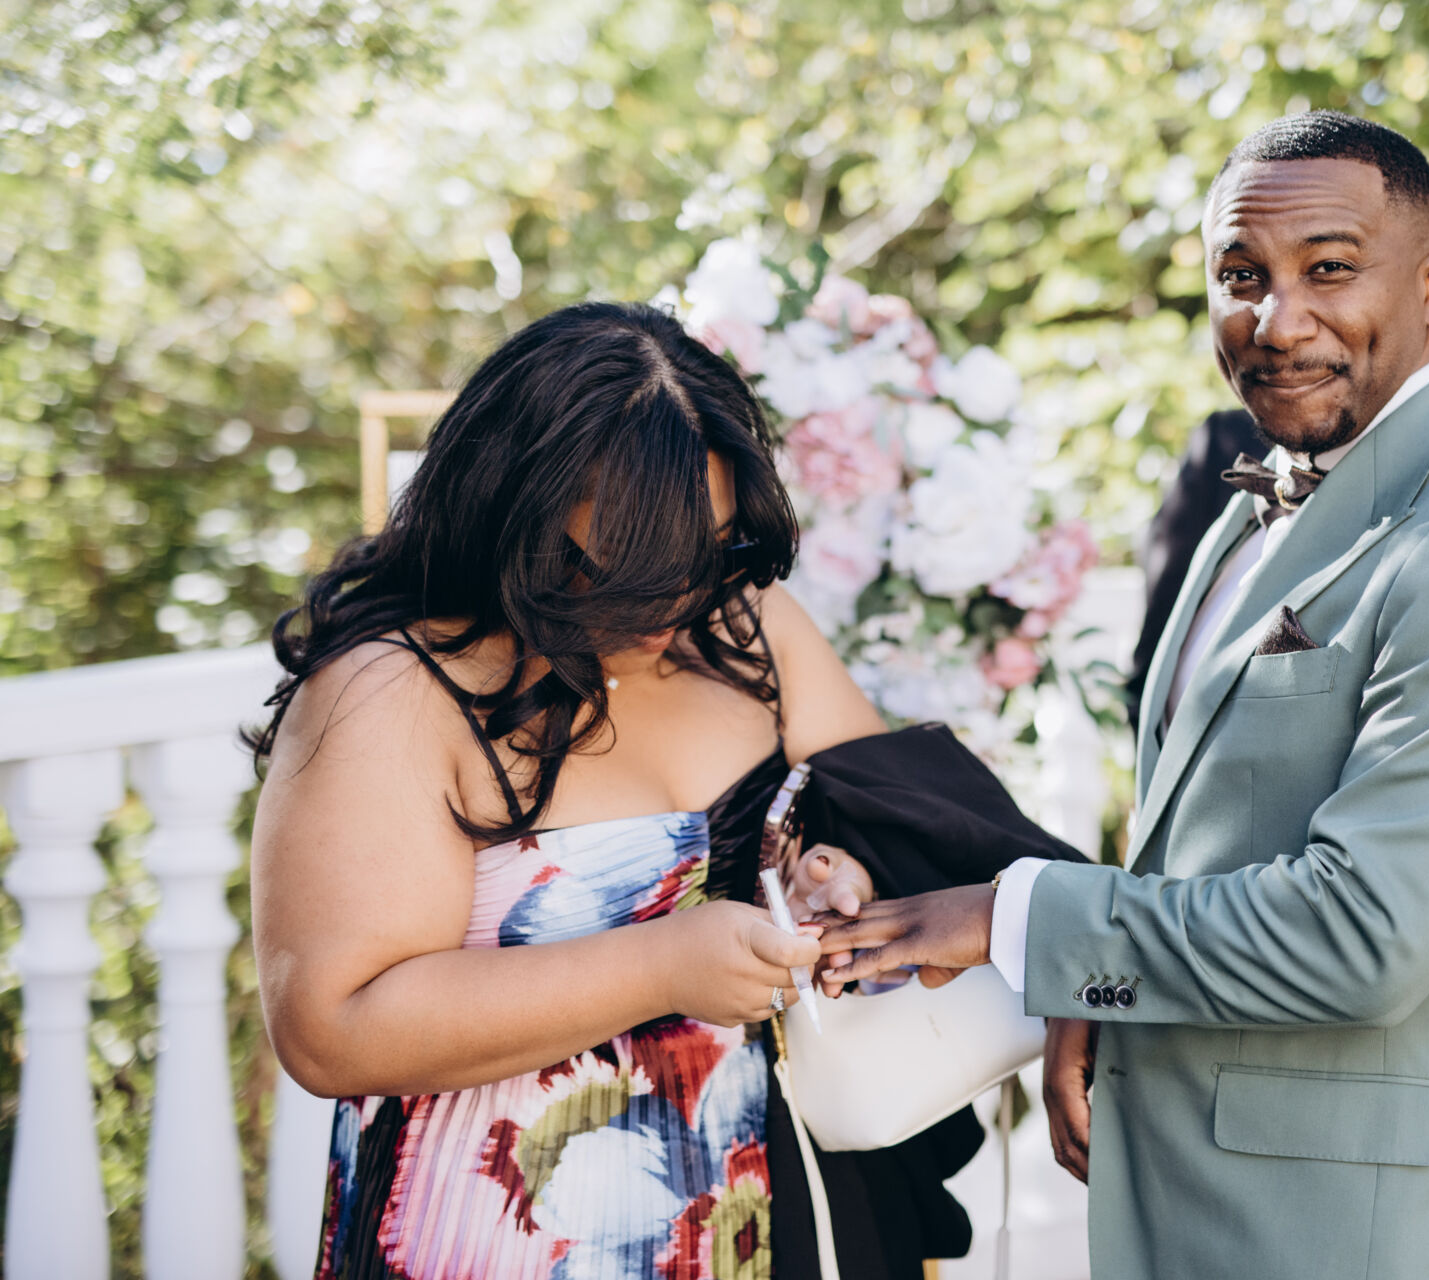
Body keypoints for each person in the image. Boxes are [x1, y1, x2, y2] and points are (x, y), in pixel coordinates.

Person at [819, 110, 1429, 1280]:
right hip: (1202, 1189)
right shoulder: (1256, 500)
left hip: (1370, 1232)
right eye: (1241, 275)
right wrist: (1095, 995)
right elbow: (1207, 830)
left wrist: (1020, 919)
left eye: (1329, 270)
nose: (1276, 320)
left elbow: (1361, 935)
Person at [248, 300, 978, 1280]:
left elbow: (897, 824)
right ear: (512, 507)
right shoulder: (391, 691)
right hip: (497, 1235)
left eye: (709, 550)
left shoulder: (746, 628)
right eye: (629, 566)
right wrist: (663, 965)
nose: (676, 601)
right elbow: (332, 1029)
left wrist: (835, 873)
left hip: (773, 1220)